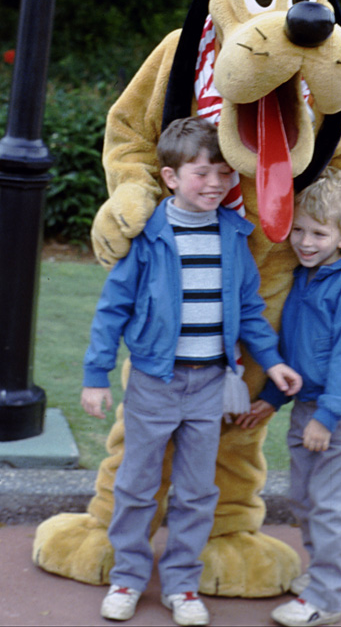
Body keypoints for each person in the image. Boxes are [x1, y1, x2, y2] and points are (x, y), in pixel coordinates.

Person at [81, 116, 302, 626]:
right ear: (171, 177)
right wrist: (96, 377)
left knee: (199, 491)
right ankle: (128, 578)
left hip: (209, 386)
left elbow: (249, 310)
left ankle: (182, 583)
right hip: (154, 382)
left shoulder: (234, 236)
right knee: (136, 487)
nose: (216, 183)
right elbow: (112, 310)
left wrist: (273, 362)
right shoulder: (148, 236)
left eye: (224, 173)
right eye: (202, 172)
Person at [237, 168, 341, 627]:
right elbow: (297, 348)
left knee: (327, 504)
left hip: (340, 412)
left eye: (318, 233)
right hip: (307, 407)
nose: (304, 242)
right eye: (298, 230)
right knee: (303, 498)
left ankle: (326, 596)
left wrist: (327, 417)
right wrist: (270, 398)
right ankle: (318, 574)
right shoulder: (305, 278)